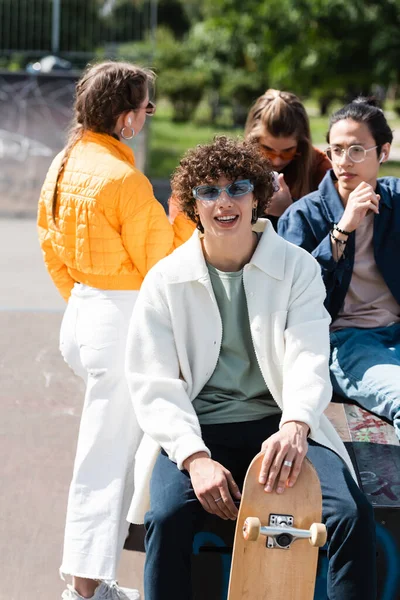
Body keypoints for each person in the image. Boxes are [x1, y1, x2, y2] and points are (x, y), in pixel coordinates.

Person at [125, 136, 376, 600]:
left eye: (237, 187)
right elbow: (152, 383)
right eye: (209, 191)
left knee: (350, 516)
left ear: (257, 196)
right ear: (191, 204)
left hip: (279, 424)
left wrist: (297, 425)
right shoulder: (164, 280)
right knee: (167, 517)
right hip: (198, 431)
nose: (224, 202)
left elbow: (308, 355)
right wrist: (195, 459)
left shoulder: (297, 268)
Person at [37, 61, 187, 600]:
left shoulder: (65, 161)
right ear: (126, 117)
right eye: (147, 107)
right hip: (118, 319)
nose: (149, 115)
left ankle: (93, 581)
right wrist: (187, 215)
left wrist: (83, 303)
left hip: (84, 311)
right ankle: (83, 588)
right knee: (105, 460)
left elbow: (49, 245)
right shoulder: (124, 179)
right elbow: (163, 262)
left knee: (116, 452)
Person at [278, 97, 400, 441]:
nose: (345, 162)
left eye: (357, 150)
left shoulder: (396, 202)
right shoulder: (304, 216)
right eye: (336, 150)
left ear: (384, 152)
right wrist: (342, 229)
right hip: (347, 342)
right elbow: (293, 297)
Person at [168, 88, 330, 232]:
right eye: (267, 150)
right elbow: (181, 217)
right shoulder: (229, 161)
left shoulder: (318, 167)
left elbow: (333, 229)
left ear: (302, 145)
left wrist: (290, 210)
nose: (278, 160)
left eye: (288, 152)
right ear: (251, 140)